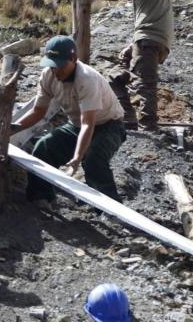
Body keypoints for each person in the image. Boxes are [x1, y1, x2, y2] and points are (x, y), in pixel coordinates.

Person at [68, 0, 174, 131]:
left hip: (149, 40)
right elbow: (152, 18)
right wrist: (133, 44)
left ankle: (149, 128)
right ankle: (128, 120)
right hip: (148, 39)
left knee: (144, 84)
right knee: (114, 78)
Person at [14, 36, 127, 205]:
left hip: (108, 125)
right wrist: (10, 129)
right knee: (43, 148)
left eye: (60, 66)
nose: (56, 71)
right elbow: (38, 111)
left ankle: (110, 208)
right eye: (52, 65)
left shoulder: (87, 79)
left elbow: (88, 123)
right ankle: (41, 196)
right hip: (76, 125)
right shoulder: (48, 76)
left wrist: (76, 159)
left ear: (73, 59)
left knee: (93, 159)